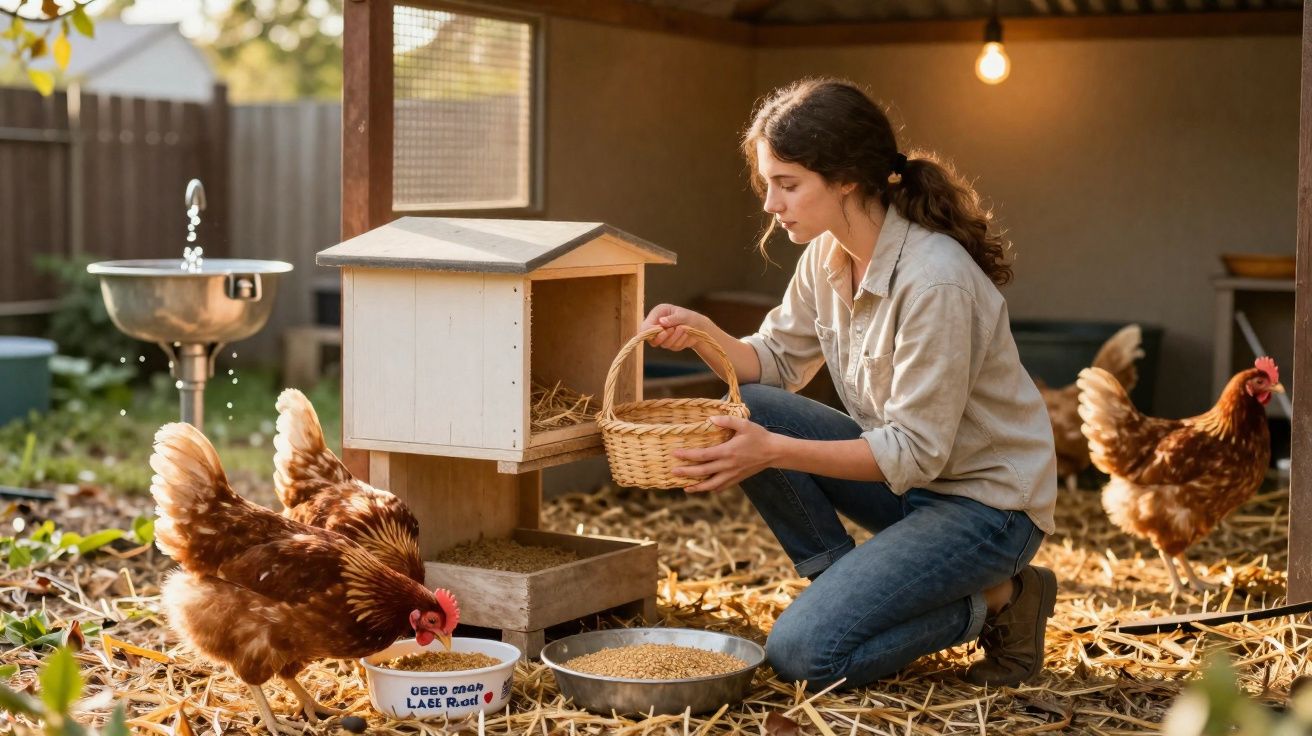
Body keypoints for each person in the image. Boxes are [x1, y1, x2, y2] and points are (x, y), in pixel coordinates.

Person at [639, 78, 1058, 689]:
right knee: (751, 407)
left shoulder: (934, 280)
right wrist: (706, 335)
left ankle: (1002, 597)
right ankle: (846, 594)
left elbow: (915, 450)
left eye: (787, 185)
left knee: (805, 658)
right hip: (912, 489)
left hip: (986, 509)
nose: (770, 204)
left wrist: (773, 452)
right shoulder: (826, 254)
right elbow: (776, 361)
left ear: (846, 179)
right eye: (769, 184)